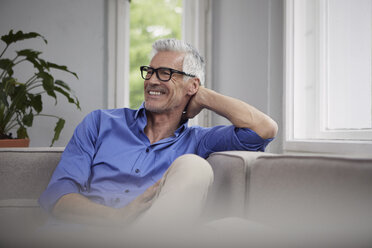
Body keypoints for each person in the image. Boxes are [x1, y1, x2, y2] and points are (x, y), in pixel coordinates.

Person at [39, 39, 278, 230]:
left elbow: (264, 129)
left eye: (164, 73)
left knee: (230, 217)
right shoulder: (100, 123)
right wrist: (117, 217)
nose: (152, 80)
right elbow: (58, 196)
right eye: (149, 72)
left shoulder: (199, 141)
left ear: (192, 86)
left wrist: (204, 97)